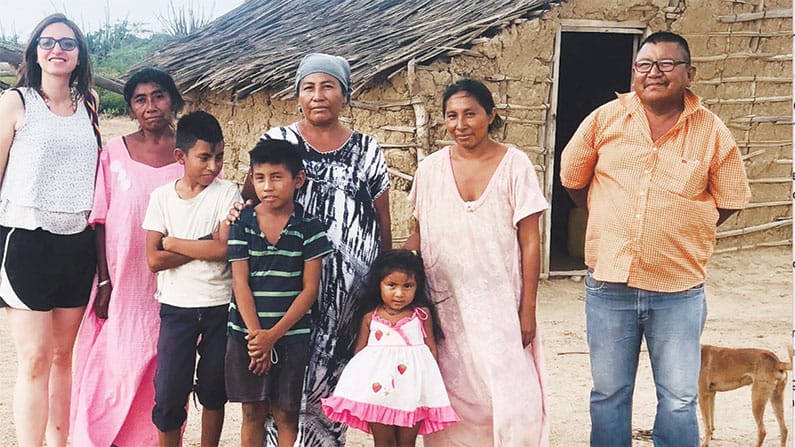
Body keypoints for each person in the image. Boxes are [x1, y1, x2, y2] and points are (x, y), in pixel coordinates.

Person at [559, 31, 751, 447]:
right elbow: (573, 178)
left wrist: (685, 225)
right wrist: (609, 215)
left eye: (666, 64)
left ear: (689, 73)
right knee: (609, 394)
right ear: (634, 73)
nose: (654, 73)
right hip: (610, 286)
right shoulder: (605, 119)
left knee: (679, 398)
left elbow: (732, 196)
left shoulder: (712, 131)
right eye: (644, 65)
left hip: (678, 290)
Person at [234, 52, 391, 446]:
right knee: (282, 381)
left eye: (328, 86)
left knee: (329, 380)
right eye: (308, 87)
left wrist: (382, 280)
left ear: (345, 94)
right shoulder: (279, 140)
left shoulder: (367, 150)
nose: (317, 95)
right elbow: (249, 198)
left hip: (346, 301)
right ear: (297, 95)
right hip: (286, 289)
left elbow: (381, 219)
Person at [406, 78, 549, 446]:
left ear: (491, 115)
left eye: (470, 114)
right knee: (454, 392)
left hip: (499, 303)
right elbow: (419, 233)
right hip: (445, 304)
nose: (461, 124)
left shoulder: (514, 164)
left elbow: (530, 241)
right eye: (451, 116)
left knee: (512, 394)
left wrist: (527, 307)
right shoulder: (430, 170)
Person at [70, 67, 187, 447]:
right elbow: (100, 219)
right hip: (124, 281)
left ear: (173, 100)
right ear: (131, 107)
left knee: (163, 369)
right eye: (140, 99)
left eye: (158, 96)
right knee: (113, 366)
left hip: (173, 282)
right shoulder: (114, 153)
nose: (151, 106)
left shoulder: (188, 153)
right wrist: (104, 280)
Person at [0, 13, 98, 447]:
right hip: (26, 240)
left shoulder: (90, 102)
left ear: (79, 56)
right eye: (47, 42)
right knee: (35, 359)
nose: (57, 49)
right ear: (34, 52)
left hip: (77, 243)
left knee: (64, 357)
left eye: (67, 43)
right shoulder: (15, 102)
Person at [142, 111, 241, 447]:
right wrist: (203, 243)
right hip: (176, 310)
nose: (213, 166)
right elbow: (154, 259)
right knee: (169, 393)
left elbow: (225, 250)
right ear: (180, 157)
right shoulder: (161, 198)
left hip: (218, 309)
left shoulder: (228, 193)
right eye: (204, 157)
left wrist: (171, 242)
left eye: (219, 157)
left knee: (214, 390)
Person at [226, 139, 332, 447]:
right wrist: (258, 338)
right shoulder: (242, 223)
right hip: (246, 335)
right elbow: (240, 283)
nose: (267, 186)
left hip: (291, 337)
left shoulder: (309, 227)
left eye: (276, 177)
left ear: (297, 180)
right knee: (252, 412)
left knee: (286, 413)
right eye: (259, 178)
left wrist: (272, 336)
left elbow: (309, 290)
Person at [321, 249, 459, 446]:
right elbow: (360, 354)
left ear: (417, 286)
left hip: (412, 392)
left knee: (407, 443)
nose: (399, 293)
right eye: (391, 285)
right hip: (377, 392)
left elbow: (431, 352)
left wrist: (431, 387)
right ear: (379, 285)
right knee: (383, 442)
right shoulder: (371, 317)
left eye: (407, 286)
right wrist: (358, 388)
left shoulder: (421, 315)